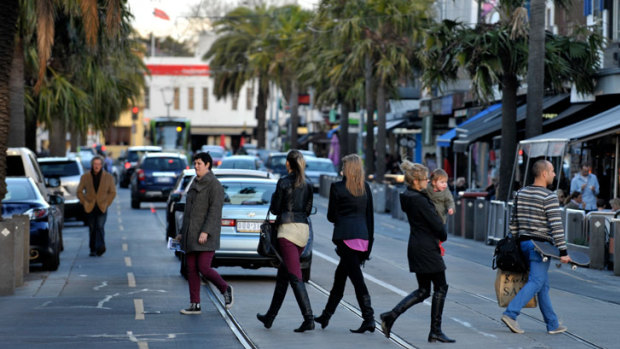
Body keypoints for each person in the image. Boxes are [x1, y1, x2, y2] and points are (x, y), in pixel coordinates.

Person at [380, 161, 455, 343]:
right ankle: (435, 330)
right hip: (427, 248)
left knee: (423, 290)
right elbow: (438, 226)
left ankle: (391, 316)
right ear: (416, 181)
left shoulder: (409, 196)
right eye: (425, 179)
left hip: (417, 245)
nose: (428, 182)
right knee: (440, 287)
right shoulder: (420, 200)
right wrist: (442, 229)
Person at [501, 159, 571, 335]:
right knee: (537, 281)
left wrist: (516, 244)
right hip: (541, 247)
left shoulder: (520, 193)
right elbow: (556, 226)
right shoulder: (549, 196)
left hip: (524, 244)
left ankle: (552, 323)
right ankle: (511, 314)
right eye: (553, 171)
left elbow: (513, 222)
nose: (555, 174)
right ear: (544, 173)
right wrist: (563, 251)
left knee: (543, 285)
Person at [314, 154, 375, 333]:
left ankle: (369, 318)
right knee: (340, 277)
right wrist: (368, 247)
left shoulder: (337, 188)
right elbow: (369, 218)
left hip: (346, 238)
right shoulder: (366, 188)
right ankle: (326, 316)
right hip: (363, 238)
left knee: (357, 280)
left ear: (346, 169)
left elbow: (331, 216)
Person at [257, 150, 315, 332]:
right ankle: (269, 317)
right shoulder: (308, 183)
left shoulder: (283, 182)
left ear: (288, 164)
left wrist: (275, 198)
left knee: (295, 276)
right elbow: (307, 209)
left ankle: (308, 318)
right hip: (303, 231)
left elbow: (275, 210)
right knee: (283, 275)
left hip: (287, 232)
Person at [176, 152, 233, 314]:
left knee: (204, 267)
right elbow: (188, 212)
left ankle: (225, 288)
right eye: (195, 163)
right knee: (191, 269)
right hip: (190, 234)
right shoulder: (194, 183)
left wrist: (205, 231)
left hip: (206, 234)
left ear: (208, 165)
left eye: (199, 163)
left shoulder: (215, 185)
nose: (196, 166)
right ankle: (195, 304)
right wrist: (181, 232)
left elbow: (215, 212)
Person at [77, 155, 117, 257]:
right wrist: (84, 202)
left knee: (100, 226)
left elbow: (112, 192)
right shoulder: (85, 177)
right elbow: (79, 191)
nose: (97, 166)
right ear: (92, 165)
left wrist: (107, 203)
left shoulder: (108, 177)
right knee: (92, 228)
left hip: (102, 206)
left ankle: (100, 247)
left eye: (99, 164)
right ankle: (93, 248)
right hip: (90, 206)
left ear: (102, 165)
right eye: (95, 164)